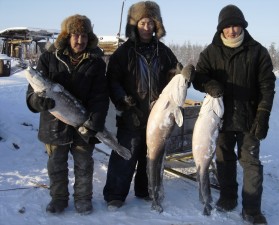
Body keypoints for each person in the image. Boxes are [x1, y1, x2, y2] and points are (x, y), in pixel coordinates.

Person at [192, 5, 275, 225]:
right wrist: (209, 84)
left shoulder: (257, 51)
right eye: (227, 26)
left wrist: (263, 114)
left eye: (235, 25)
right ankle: (228, 197)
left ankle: (252, 210)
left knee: (251, 163)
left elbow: (267, 86)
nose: (232, 30)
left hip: (250, 118)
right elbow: (198, 77)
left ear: (243, 26)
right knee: (224, 159)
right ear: (221, 28)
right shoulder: (211, 51)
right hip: (220, 118)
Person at [26, 14, 109, 215]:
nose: (80, 41)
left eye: (84, 36)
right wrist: (37, 102)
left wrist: (95, 121)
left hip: (83, 123)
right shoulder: (48, 58)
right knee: (56, 165)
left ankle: (83, 199)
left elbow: (100, 96)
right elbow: (31, 94)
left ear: (89, 38)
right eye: (75, 35)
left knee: (84, 165)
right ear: (66, 36)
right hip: (54, 124)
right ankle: (59, 199)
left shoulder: (96, 63)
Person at [103, 1, 178, 210]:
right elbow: (113, 80)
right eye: (143, 22)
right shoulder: (124, 52)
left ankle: (145, 190)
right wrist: (123, 101)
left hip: (157, 113)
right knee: (126, 153)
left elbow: (174, 74)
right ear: (135, 25)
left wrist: (181, 74)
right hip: (131, 112)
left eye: (151, 23)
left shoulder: (163, 52)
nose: (147, 27)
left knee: (151, 154)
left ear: (157, 26)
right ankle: (115, 195)